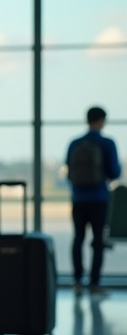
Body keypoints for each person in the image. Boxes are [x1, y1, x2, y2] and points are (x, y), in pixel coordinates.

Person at [66, 106, 120, 297]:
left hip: (78, 198)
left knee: (78, 239)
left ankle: (77, 281)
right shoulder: (107, 143)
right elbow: (115, 172)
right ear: (102, 120)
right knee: (98, 241)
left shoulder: (75, 143)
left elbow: (69, 171)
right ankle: (94, 283)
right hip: (99, 198)